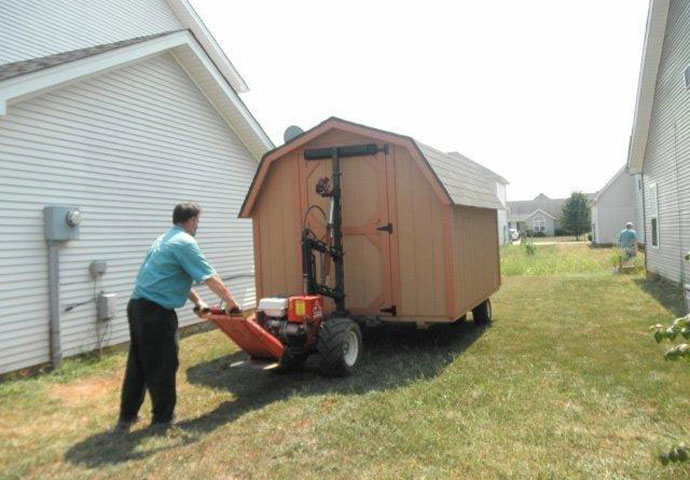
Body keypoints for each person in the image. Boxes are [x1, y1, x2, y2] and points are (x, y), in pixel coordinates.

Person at [115, 202, 239, 432]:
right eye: (197, 222)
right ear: (191, 221)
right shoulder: (185, 242)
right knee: (163, 362)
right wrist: (231, 303)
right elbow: (209, 275)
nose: (197, 226)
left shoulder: (163, 240)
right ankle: (163, 419)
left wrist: (198, 302)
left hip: (137, 307)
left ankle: (127, 417)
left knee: (139, 363)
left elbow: (175, 277)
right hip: (156, 312)